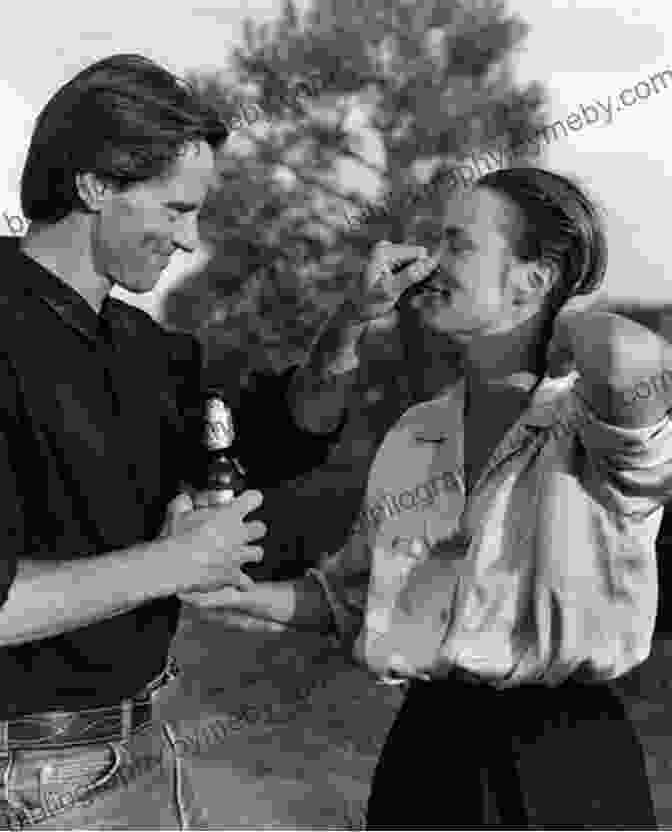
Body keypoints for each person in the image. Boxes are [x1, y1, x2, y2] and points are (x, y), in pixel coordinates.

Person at [187, 167, 671, 828]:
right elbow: (351, 602)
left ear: (534, 277)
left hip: (569, 765)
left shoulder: (597, 424)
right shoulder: (416, 432)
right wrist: (243, 595)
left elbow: (630, 357)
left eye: (459, 245)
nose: (433, 263)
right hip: (428, 753)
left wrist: (556, 319)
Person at [0, 54, 270, 830]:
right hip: (31, 779)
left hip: (136, 745)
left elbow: (270, 432)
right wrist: (179, 561)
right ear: (94, 185)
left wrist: (346, 331)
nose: (190, 240)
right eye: (176, 209)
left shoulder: (139, 344)